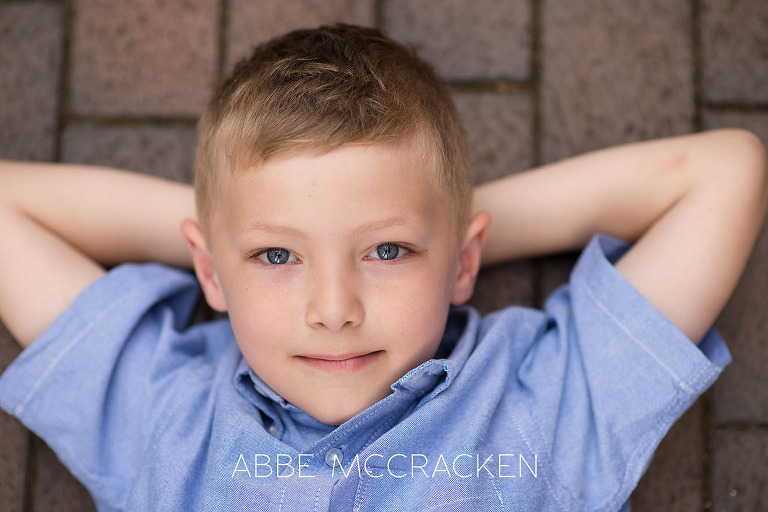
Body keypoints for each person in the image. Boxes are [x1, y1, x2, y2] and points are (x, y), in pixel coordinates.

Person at [0, 23, 764, 511]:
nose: (334, 308)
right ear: (210, 269)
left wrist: (443, 223)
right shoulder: (168, 422)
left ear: (465, 260)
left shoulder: (539, 409)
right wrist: (229, 226)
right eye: (277, 255)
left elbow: (726, 172)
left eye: (388, 250)